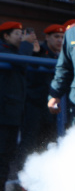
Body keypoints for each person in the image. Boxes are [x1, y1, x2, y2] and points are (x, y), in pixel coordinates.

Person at [17, 23, 64, 169]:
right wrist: (35, 52)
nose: (60, 41)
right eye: (56, 37)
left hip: (54, 106)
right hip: (35, 105)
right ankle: (23, 178)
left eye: (62, 37)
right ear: (47, 37)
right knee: (30, 143)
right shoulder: (38, 51)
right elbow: (29, 74)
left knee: (50, 141)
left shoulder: (63, 55)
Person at [0, 22, 27, 191]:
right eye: (17, 33)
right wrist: (26, 45)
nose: (21, 37)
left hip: (12, 112)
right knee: (2, 152)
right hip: (4, 112)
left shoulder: (14, 51)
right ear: (6, 36)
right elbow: (21, 63)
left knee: (8, 153)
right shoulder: (4, 51)